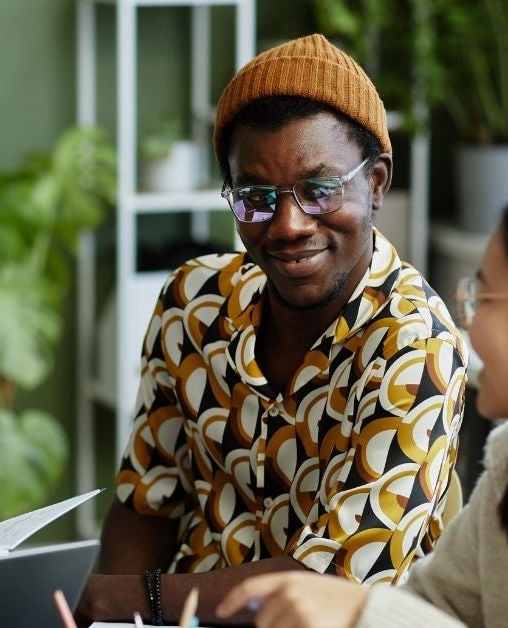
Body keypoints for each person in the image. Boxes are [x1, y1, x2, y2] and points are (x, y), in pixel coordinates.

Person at [78, 33, 467, 624]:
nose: (287, 225)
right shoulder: (193, 303)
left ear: (378, 182)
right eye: (256, 197)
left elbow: (322, 588)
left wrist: (133, 599)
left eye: (319, 190)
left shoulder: (416, 345)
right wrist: (112, 621)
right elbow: (146, 502)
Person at [218, 166, 508, 628]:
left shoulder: (414, 340)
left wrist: (362, 609)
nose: (469, 324)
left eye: (485, 299)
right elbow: (434, 602)